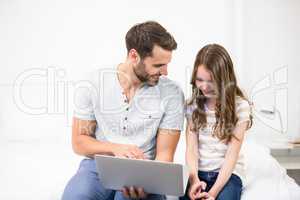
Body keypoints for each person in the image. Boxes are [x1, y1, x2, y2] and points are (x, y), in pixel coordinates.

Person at [62, 21, 184, 200]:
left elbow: (165, 154)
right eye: (158, 65)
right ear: (134, 56)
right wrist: (115, 149)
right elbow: (79, 142)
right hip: (99, 165)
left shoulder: (172, 93)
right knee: (77, 197)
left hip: (146, 169)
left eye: (167, 64)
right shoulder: (93, 83)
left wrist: (149, 182)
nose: (165, 72)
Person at [180, 44, 252, 200]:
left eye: (211, 81)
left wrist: (213, 193)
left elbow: (231, 155)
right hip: (198, 173)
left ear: (224, 79)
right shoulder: (192, 106)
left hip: (228, 175)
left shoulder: (241, 107)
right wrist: (194, 180)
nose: (204, 86)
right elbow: (191, 149)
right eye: (199, 80)